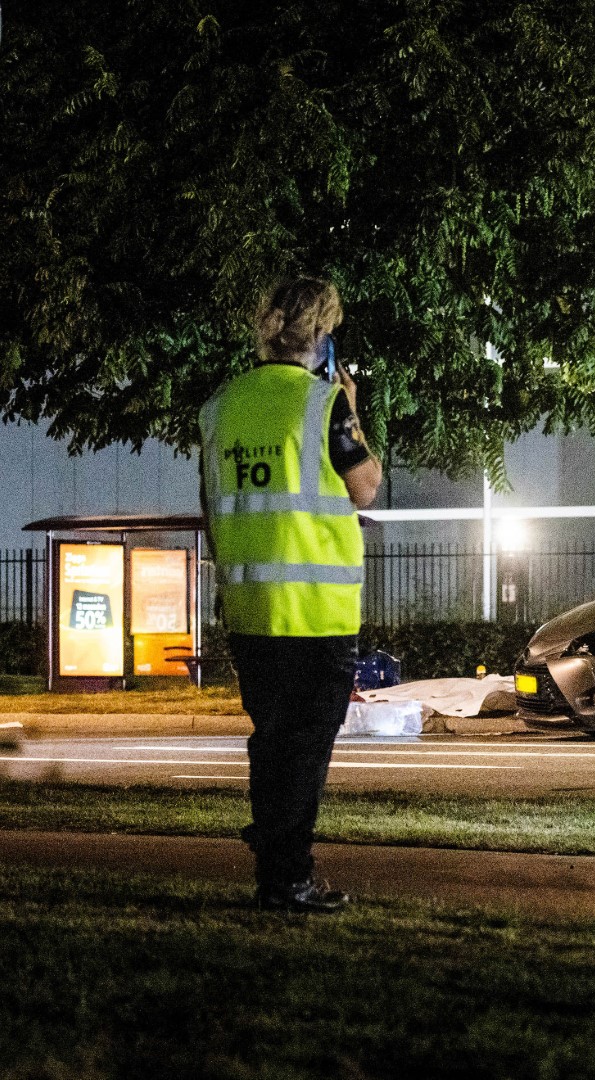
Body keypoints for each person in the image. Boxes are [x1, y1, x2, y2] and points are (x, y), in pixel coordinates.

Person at [200, 277, 381, 913]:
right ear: (322, 337)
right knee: (305, 747)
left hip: (250, 612)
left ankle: (275, 862)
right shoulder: (324, 406)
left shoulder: (219, 408)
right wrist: (351, 407)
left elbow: (212, 504)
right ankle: (288, 875)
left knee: (273, 739)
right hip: (316, 614)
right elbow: (365, 489)